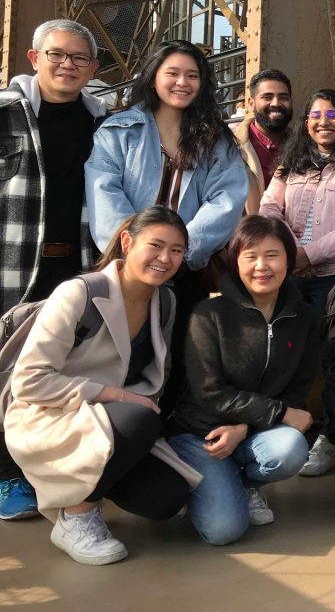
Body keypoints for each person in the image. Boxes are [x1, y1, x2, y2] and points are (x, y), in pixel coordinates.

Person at [0, 207, 198, 565]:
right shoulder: (79, 293)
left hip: (112, 424)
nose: (165, 258)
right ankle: (76, 516)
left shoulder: (165, 301)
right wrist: (116, 396)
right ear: (127, 241)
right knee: (140, 417)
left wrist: (129, 404)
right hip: (50, 415)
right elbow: (29, 381)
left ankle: (86, 483)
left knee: (166, 499)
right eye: (155, 245)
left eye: (177, 250)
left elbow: (158, 377)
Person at [85, 40, 249, 407]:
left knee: (177, 354)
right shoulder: (117, 130)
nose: (182, 82)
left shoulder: (216, 139)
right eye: (172, 73)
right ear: (154, 76)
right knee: (116, 353)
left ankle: (164, 435)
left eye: (192, 75)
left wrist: (176, 252)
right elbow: (103, 190)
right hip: (124, 267)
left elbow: (226, 199)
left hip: (185, 270)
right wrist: (139, 250)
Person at [0, 19, 105, 520]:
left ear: (94, 68)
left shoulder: (105, 125)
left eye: (79, 58)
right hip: (12, 267)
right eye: (57, 55)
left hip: (78, 269)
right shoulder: (4, 115)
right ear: (33, 56)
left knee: (63, 370)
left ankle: (50, 471)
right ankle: (6, 477)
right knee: (5, 372)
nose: (67, 65)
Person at [167, 216, 319, 546]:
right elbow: (209, 392)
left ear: (289, 260)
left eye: (272, 255)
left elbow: (298, 389)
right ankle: (205, 486)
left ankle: (246, 486)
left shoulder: (305, 319)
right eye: (250, 256)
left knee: (291, 448)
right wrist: (278, 415)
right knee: (224, 531)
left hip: (249, 432)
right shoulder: (209, 315)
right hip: (202, 434)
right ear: (236, 262)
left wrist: (244, 429)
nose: (262, 266)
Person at [259, 89, 335, 477]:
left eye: (332, 115)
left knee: (331, 359)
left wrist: (311, 255)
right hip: (292, 277)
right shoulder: (290, 164)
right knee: (292, 356)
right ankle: (291, 431)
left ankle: (328, 439)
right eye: (315, 115)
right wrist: (292, 253)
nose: (323, 122)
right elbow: (269, 208)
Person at [234, 68, 293, 214]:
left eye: (283, 97)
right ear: (251, 103)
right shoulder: (231, 147)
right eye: (267, 97)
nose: (276, 103)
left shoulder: (305, 147)